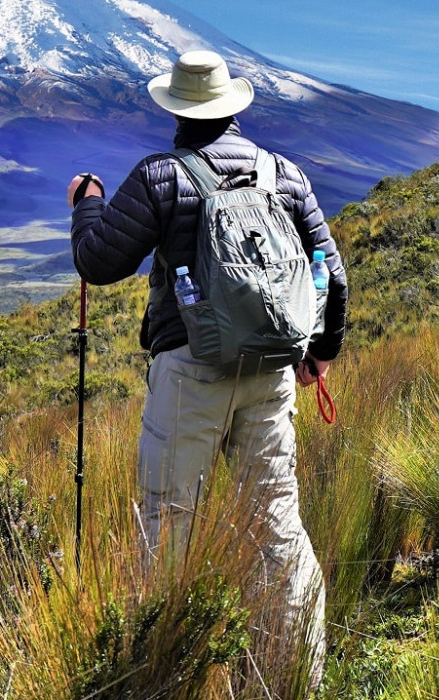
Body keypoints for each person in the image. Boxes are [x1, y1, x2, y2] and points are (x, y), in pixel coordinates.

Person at [65, 50, 347, 688]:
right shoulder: (286, 176)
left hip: (190, 372)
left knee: (168, 520)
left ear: (176, 109)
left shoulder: (162, 178)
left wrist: (86, 204)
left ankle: (163, 672)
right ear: (232, 108)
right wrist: (319, 354)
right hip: (272, 369)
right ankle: (298, 672)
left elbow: (99, 262)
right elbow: (333, 272)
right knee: (275, 520)